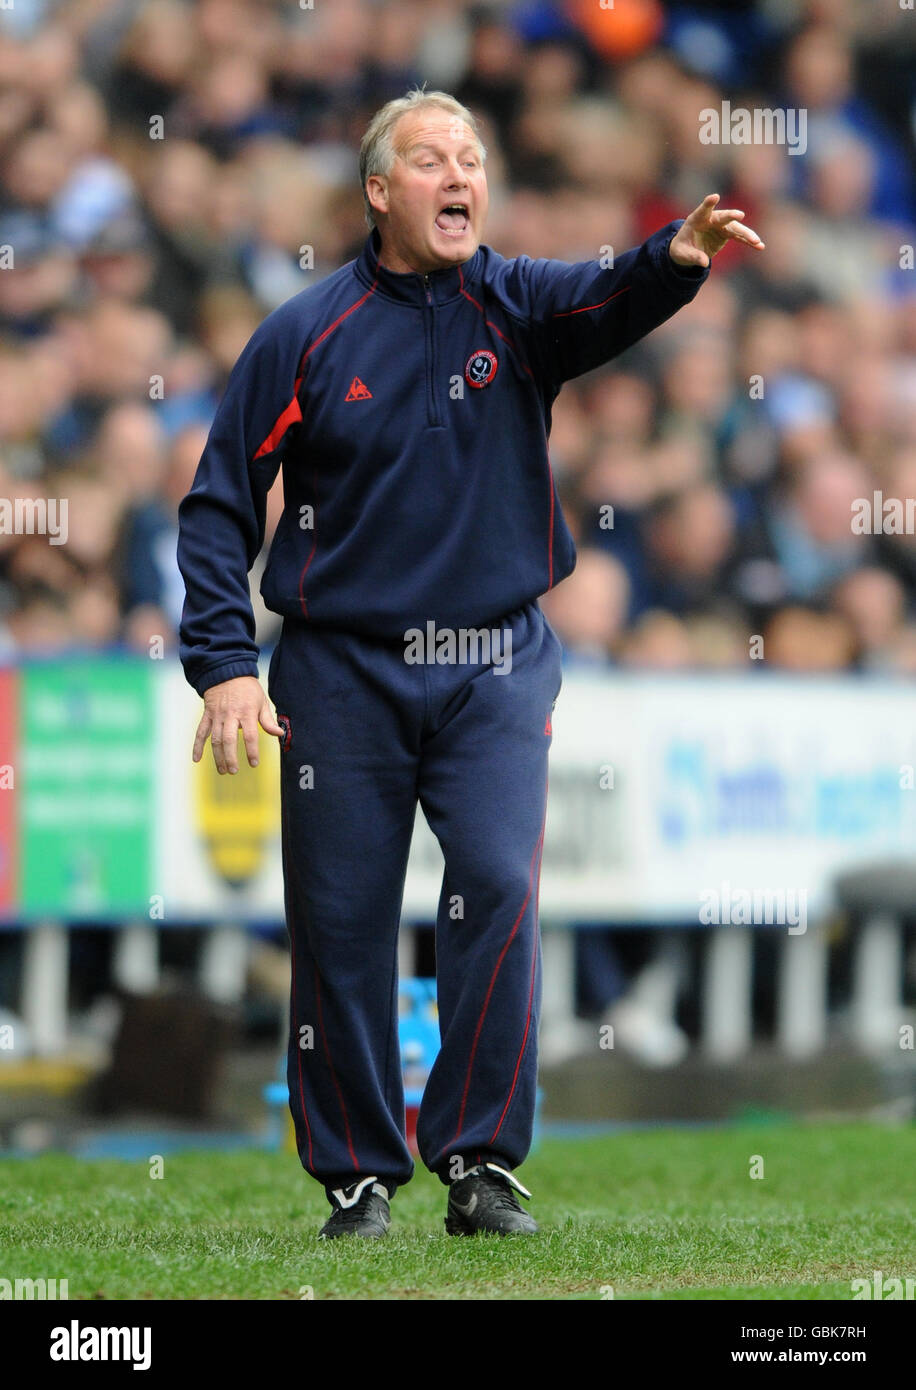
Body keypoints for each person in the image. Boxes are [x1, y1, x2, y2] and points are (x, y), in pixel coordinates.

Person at [176, 87, 763, 1239]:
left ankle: (482, 1160)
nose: (460, 173)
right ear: (380, 193)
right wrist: (223, 664)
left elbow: (603, 300)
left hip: (497, 661)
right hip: (339, 671)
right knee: (340, 921)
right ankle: (356, 1176)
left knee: (496, 884)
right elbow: (215, 508)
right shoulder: (302, 332)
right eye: (432, 158)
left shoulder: (517, 301)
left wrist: (673, 259)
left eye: (474, 156)